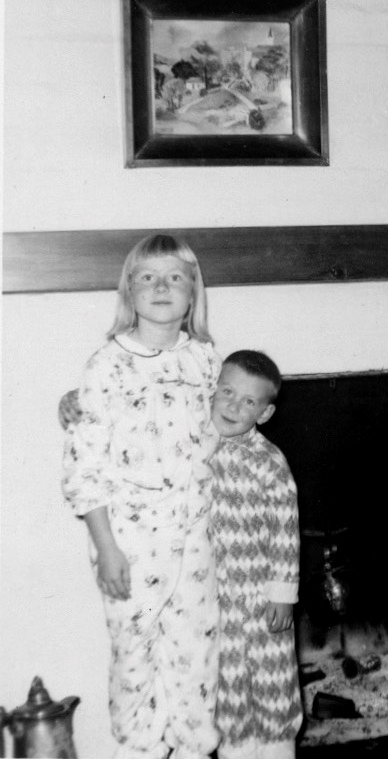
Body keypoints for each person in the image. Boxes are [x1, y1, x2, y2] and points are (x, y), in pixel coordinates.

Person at [62, 233, 221, 759]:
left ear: (193, 294)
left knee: (196, 658)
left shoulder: (206, 361)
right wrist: (106, 546)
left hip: (196, 539)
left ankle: (195, 750)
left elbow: (231, 430)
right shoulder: (106, 364)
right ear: (128, 291)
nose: (161, 286)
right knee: (134, 659)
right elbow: (85, 466)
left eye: (175, 277)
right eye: (147, 277)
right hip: (129, 542)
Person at [208, 350, 304, 759]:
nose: (233, 405)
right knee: (226, 683)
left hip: (263, 597)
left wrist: (282, 591)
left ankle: (276, 749)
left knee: (272, 681)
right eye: (227, 392)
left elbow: (286, 527)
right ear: (210, 390)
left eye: (249, 401)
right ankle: (235, 750)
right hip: (216, 598)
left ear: (264, 414)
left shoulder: (269, 462)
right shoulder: (194, 444)